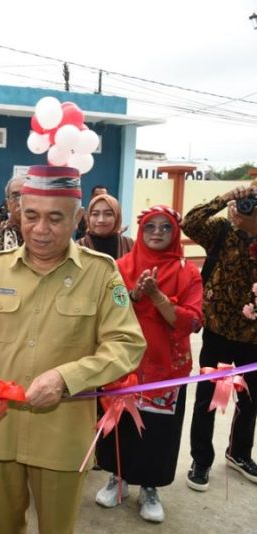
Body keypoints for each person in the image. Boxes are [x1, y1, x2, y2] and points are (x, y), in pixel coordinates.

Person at [0, 165, 145, 533]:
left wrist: (66, 377)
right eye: (31, 216)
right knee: (0, 527)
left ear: (77, 219)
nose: (40, 230)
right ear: (18, 213)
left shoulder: (101, 273)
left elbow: (128, 344)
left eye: (55, 218)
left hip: (63, 438)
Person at [95, 205, 202, 523]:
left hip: (165, 368)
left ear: (175, 233)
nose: (157, 232)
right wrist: (135, 295)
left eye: (165, 227)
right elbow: (109, 307)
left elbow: (192, 321)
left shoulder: (189, 272)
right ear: (140, 232)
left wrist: (157, 296)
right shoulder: (119, 267)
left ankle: (150, 487)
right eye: (150, 227)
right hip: (123, 365)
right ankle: (118, 477)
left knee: (158, 431)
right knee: (119, 424)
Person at [183, 182, 257, 490]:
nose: (247, 206)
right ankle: (201, 459)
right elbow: (189, 222)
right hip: (216, 330)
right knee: (205, 401)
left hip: (253, 335)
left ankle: (238, 453)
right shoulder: (221, 229)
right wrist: (226, 197)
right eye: (247, 200)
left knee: (250, 400)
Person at [77, 194, 134, 260]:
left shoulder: (129, 244)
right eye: (95, 214)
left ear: (117, 217)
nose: (101, 220)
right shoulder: (79, 247)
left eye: (108, 214)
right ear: (88, 217)